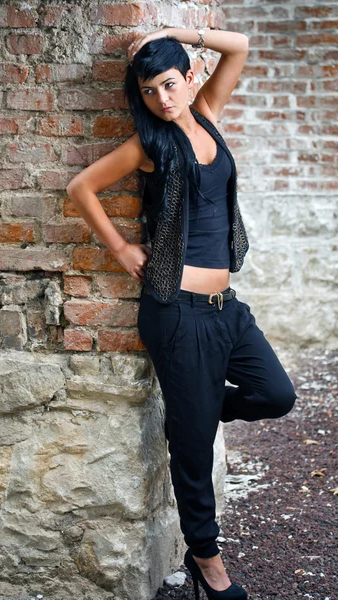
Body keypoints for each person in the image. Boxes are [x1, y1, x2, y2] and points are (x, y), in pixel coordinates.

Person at [66, 27, 297, 600]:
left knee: (276, 394)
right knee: (193, 452)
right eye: (148, 91)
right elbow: (81, 187)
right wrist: (122, 249)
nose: (162, 100)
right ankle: (207, 561)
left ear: (190, 78)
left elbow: (239, 45)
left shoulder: (209, 113)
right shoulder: (151, 145)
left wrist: (178, 32)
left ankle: (198, 408)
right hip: (177, 312)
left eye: (169, 85)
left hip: (226, 309)